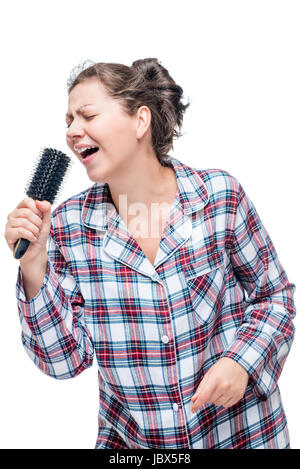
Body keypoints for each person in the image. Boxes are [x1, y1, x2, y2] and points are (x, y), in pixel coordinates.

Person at [5, 58, 296, 449]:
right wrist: (34, 263)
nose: (72, 132)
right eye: (68, 121)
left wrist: (241, 361)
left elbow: (274, 296)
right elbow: (63, 361)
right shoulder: (68, 226)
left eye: (87, 114)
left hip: (242, 435)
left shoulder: (219, 197)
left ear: (140, 121)